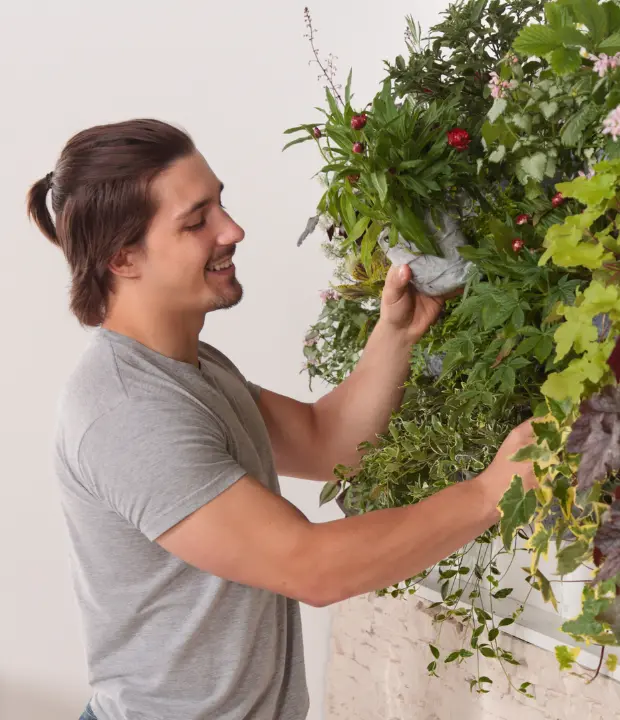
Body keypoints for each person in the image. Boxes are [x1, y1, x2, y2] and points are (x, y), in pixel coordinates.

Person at [27, 119, 536, 720]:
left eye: (221, 203)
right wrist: (490, 495)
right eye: (196, 222)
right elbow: (311, 567)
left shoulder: (194, 369)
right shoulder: (128, 411)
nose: (232, 229)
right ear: (122, 256)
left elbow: (326, 443)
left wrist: (395, 331)